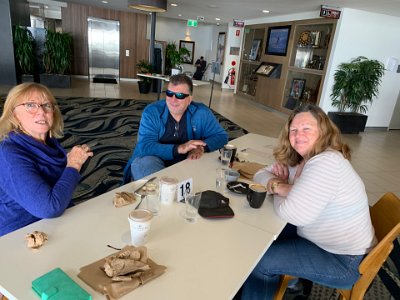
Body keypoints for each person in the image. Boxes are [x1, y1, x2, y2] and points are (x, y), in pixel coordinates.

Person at [240, 104, 376, 300]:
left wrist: (279, 187)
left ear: (323, 132)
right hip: (319, 239)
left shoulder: (326, 162)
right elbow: (260, 174)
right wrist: (280, 185)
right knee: (257, 235)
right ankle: (294, 281)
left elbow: (293, 214)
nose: (298, 135)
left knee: (260, 262)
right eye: (293, 130)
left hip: (344, 260)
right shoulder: (300, 159)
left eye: (306, 129)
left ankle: (281, 282)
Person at [0, 83, 93, 237]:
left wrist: (75, 162)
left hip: (52, 221)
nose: (41, 112)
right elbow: (48, 208)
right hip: (20, 233)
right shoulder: (9, 153)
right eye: (30, 105)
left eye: (46, 105)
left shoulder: (48, 143)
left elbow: (56, 180)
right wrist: (74, 165)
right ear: (14, 114)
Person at [123, 74, 228, 182]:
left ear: (189, 99)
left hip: (186, 160)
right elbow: (145, 146)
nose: (173, 100)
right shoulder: (152, 112)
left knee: (209, 177)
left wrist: (201, 148)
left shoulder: (201, 112)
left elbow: (221, 136)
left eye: (179, 95)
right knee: (153, 177)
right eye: (169, 93)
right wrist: (179, 148)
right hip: (152, 159)